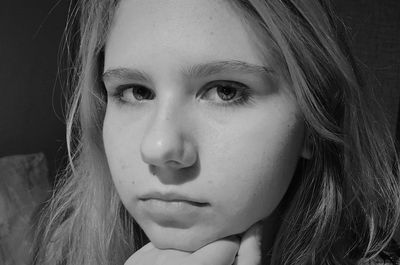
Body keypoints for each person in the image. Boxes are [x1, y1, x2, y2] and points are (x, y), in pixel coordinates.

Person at [31, 0, 400, 264]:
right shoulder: (62, 248)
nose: (159, 147)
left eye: (226, 91)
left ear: (312, 123)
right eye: (136, 92)